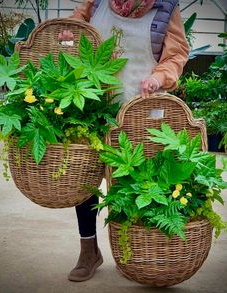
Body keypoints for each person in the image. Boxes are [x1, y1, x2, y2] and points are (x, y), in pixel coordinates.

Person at [58, 0, 189, 282]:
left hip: (140, 111)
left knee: (130, 186)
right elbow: (73, 28)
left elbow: (176, 55)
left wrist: (159, 77)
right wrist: (67, 36)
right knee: (85, 182)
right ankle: (88, 251)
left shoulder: (165, 8)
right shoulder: (98, 2)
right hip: (94, 105)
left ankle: (126, 253)